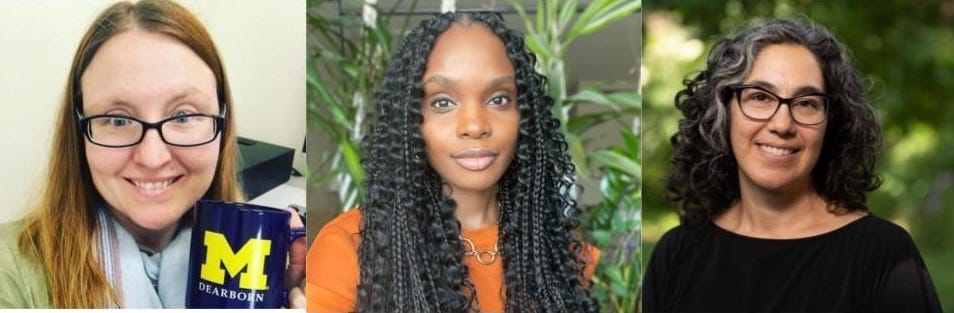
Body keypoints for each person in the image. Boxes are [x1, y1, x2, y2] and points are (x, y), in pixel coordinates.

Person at [0, 0, 303, 308]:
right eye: (118, 120)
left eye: (183, 116)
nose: (152, 158)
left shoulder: (263, 262)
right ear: (78, 134)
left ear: (223, 125)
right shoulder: (9, 270)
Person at [642, 18, 942, 312]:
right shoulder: (677, 255)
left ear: (832, 123)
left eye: (806, 103)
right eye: (760, 97)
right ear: (722, 112)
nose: (782, 124)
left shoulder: (883, 254)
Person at [307, 12, 598, 312]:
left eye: (499, 99)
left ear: (525, 117)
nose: (474, 126)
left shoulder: (562, 253)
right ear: (410, 122)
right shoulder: (347, 250)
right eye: (442, 102)